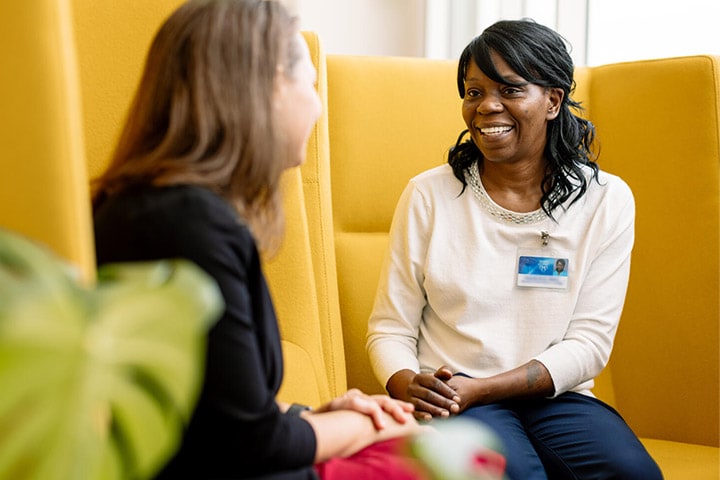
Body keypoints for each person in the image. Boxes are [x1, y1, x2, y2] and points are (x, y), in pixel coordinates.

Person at [91, 1, 430, 478]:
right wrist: (360, 426)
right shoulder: (188, 225)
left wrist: (314, 418)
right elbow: (244, 443)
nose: (317, 105)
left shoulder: (165, 211)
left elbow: (212, 413)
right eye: (310, 86)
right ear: (270, 85)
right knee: (446, 457)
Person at [366, 19, 663, 480]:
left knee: (631, 472)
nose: (487, 106)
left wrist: (484, 388)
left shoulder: (606, 199)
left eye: (509, 89)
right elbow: (390, 329)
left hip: (555, 397)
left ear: (553, 100)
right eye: (472, 92)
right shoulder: (429, 195)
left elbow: (589, 344)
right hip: (452, 395)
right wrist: (411, 386)